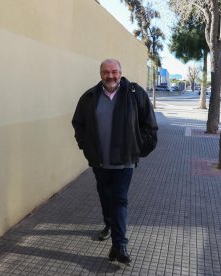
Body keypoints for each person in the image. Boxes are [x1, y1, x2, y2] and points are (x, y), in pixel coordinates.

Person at [72, 58, 158, 264]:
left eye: (114, 72)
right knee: (105, 195)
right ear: (100, 74)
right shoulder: (89, 97)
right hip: (99, 161)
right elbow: (78, 124)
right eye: (106, 72)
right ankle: (109, 224)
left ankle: (119, 245)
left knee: (119, 199)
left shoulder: (135, 94)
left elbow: (150, 125)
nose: (111, 76)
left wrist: (138, 149)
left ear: (120, 72)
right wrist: (86, 146)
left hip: (124, 161)